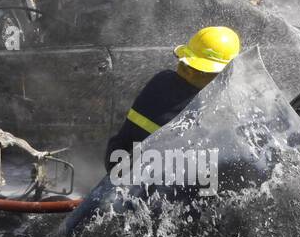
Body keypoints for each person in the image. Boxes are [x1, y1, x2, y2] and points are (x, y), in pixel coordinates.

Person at [103, 26, 241, 172]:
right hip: (154, 182)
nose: (189, 72)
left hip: (120, 169)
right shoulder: (205, 104)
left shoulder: (161, 80)